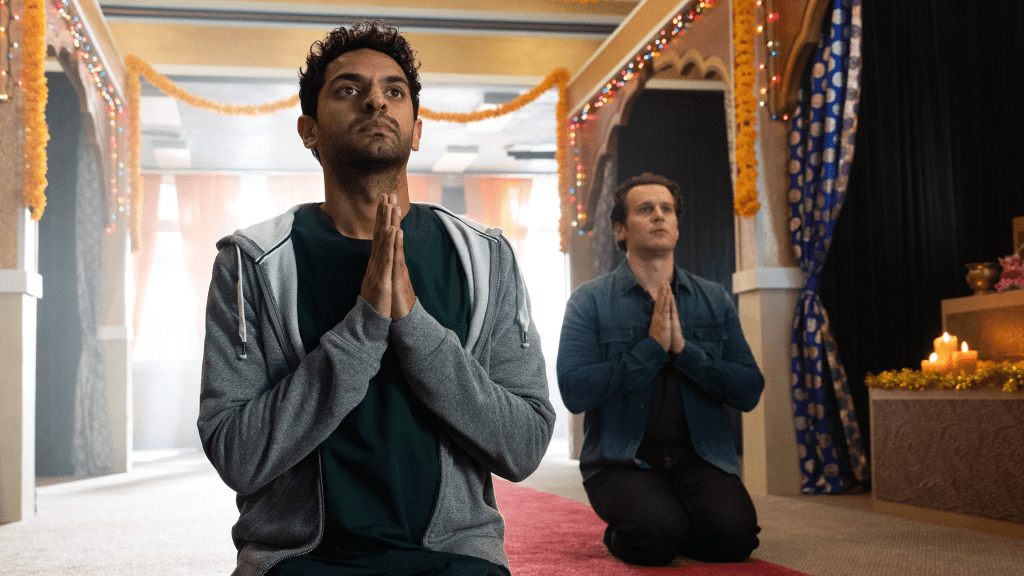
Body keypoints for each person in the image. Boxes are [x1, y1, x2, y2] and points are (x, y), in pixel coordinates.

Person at [198, 21, 554, 576]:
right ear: (308, 131)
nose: (374, 102)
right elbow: (237, 455)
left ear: (416, 130)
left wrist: (414, 326)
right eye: (348, 89)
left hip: (452, 557)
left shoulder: (484, 257)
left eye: (394, 91)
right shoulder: (251, 263)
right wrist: (364, 326)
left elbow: (525, 444)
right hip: (301, 559)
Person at [556, 173, 763, 566]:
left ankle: (677, 520)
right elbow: (574, 390)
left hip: (700, 458)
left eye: (667, 209)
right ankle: (643, 526)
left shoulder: (713, 299)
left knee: (735, 541)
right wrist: (651, 349)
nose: (659, 217)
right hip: (623, 460)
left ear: (677, 225)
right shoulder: (589, 302)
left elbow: (749, 388)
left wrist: (685, 352)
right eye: (645, 209)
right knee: (655, 540)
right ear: (620, 229)